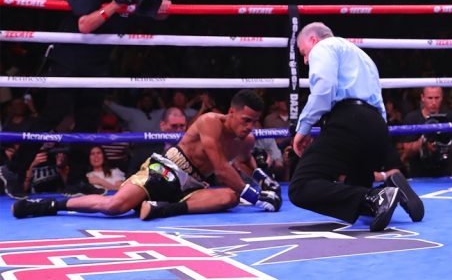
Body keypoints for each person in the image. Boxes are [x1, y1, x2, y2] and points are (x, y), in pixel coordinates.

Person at [0, 0, 171, 199]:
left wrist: (163, 4)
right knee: (53, 115)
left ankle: (76, 181)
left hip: (96, 65)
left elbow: (160, 13)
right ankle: (14, 170)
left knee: (88, 122)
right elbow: (84, 25)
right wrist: (114, 4)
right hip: (69, 60)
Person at [11, 89, 282, 220]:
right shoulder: (210, 121)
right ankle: (49, 205)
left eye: (254, 121)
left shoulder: (247, 138)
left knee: (229, 196)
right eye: (246, 119)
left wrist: (265, 181)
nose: (249, 126)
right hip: (167, 170)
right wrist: (257, 197)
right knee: (115, 207)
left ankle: (162, 210)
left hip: (194, 186)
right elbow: (222, 168)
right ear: (232, 112)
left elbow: (245, 163)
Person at [288, 22, 424, 232]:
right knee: (354, 191)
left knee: (300, 187)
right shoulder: (362, 57)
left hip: (349, 121)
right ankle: (388, 188)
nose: (305, 59)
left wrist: (303, 127)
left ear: (313, 39)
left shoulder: (324, 47)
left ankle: (378, 196)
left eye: (304, 52)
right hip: (375, 125)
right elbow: (379, 105)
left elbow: (324, 88)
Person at [397, 86, 452, 177]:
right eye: (430, 98)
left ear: (442, 98)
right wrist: (423, 142)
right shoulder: (412, 118)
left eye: (437, 98)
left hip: (444, 172)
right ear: (423, 98)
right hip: (419, 173)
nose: (433, 102)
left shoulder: (450, 117)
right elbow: (407, 150)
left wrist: (444, 144)